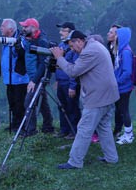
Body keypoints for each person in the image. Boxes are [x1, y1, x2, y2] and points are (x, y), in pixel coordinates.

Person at [50, 30, 120, 169]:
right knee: (104, 127)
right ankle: (111, 158)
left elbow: (73, 71)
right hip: (108, 95)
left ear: (80, 41)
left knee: (84, 128)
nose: (72, 49)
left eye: (72, 45)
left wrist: (59, 57)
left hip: (98, 97)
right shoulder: (94, 46)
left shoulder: (89, 52)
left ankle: (75, 162)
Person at [19, 17, 55, 135]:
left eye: (25, 27)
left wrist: (34, 81)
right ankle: (48, 126)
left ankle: (30, 130)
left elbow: (43, 64)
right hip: (34, 76)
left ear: (33, 28)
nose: (23, 29)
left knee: (29, 101)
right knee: (42, 102)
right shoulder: (30, 40)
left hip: (39, 77)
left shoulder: (41, 41)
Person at [0, 18, 29, 131]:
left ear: (10, 29)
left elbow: (23, 54)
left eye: (3, 26)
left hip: (19, 78)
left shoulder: (20, 39)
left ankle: (21, 126)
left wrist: (17, 45)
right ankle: (15, 124)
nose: (0, 28)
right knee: (12, 103)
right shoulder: (7, 41)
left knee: (19, 103)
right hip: (9, 78)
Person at [55, 21, 80, 139]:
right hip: (61, 81)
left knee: (72, 107)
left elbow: (74, 68)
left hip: (69, 82)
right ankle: (64, 129)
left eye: (64, 30)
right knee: (62, 106)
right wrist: (57, 79)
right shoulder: (61, 45)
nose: (61, 32)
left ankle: (74, 130)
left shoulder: (73, 47)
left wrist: (72, 86)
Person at [113, 26, 135, 145]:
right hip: (121, 85)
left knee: (124, 110)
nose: (115, 37)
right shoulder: (121, 50)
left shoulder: (125, 52)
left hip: (124, 87)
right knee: (122, 110)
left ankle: (129, 135)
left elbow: (127, 71)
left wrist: (117, 82)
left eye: (117, 35)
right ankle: (127, 133)